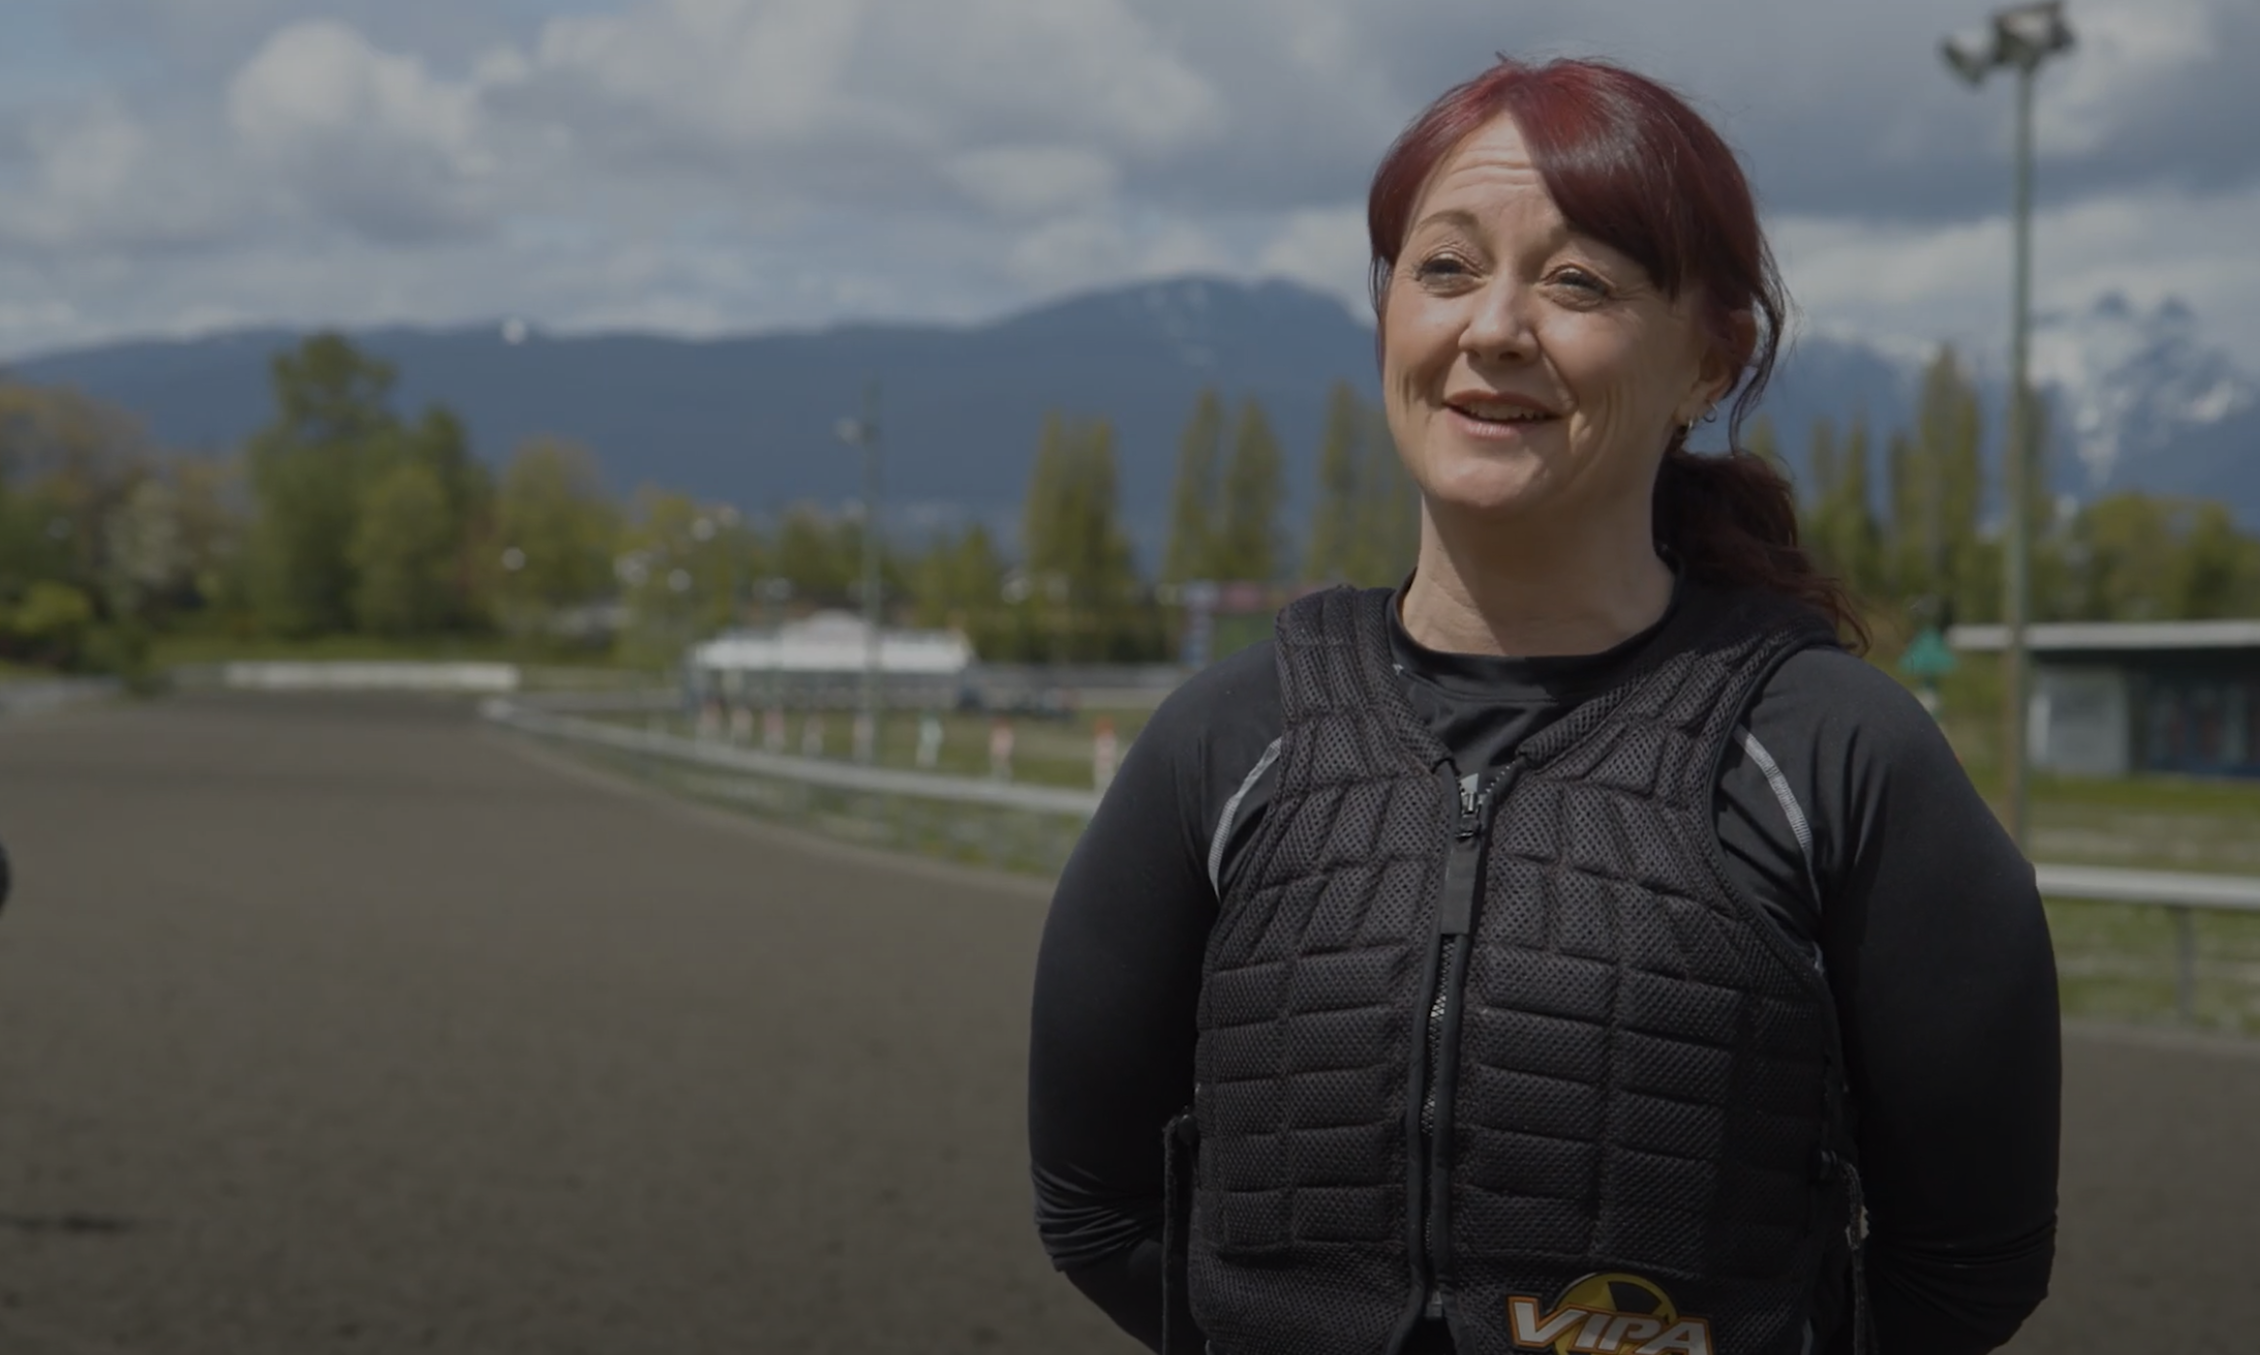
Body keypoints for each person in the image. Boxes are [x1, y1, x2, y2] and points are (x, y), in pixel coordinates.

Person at [1027, 56, 2059, 1355]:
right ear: (1389, 309)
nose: (1495, 327)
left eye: (1577, 282)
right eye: (1445, 269)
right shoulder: (1229, 740)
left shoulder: (1837, 754)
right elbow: (1093, 1205)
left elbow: (1967, 1266)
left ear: (1707, 358)